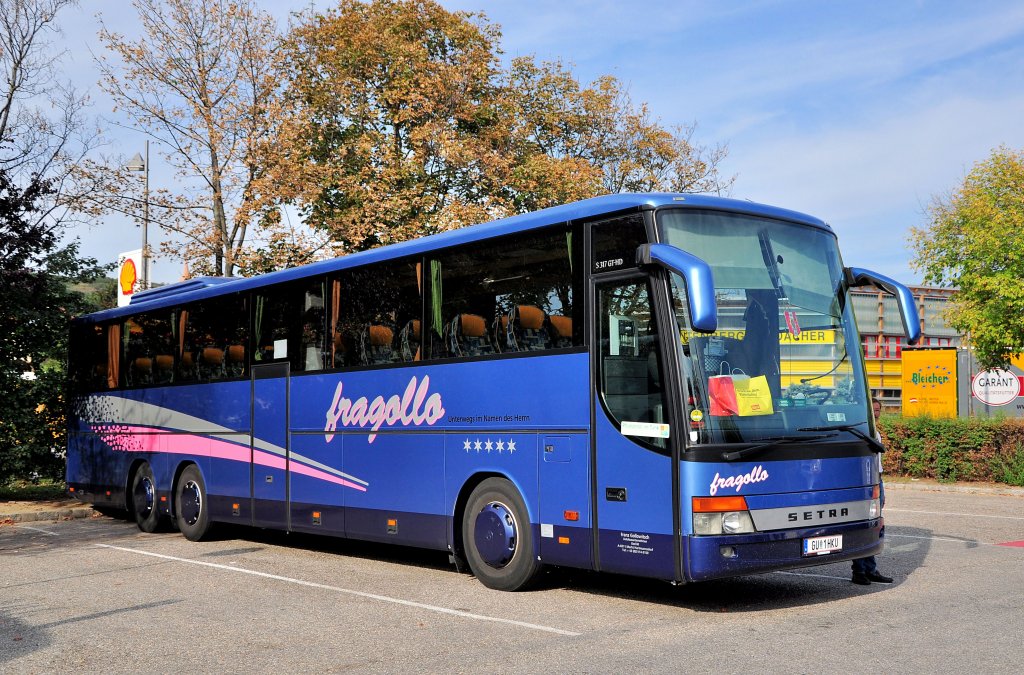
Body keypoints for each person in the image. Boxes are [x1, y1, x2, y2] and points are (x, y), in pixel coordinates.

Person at [852, 397, 894, 585]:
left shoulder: (874, 432)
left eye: (878, 410)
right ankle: (859, 571)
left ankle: (871, 569)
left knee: (875, 525)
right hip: (866, 481)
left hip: (877, 479)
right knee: (864, 525)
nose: (876, 413)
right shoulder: (861, 431)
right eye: (873, 410)